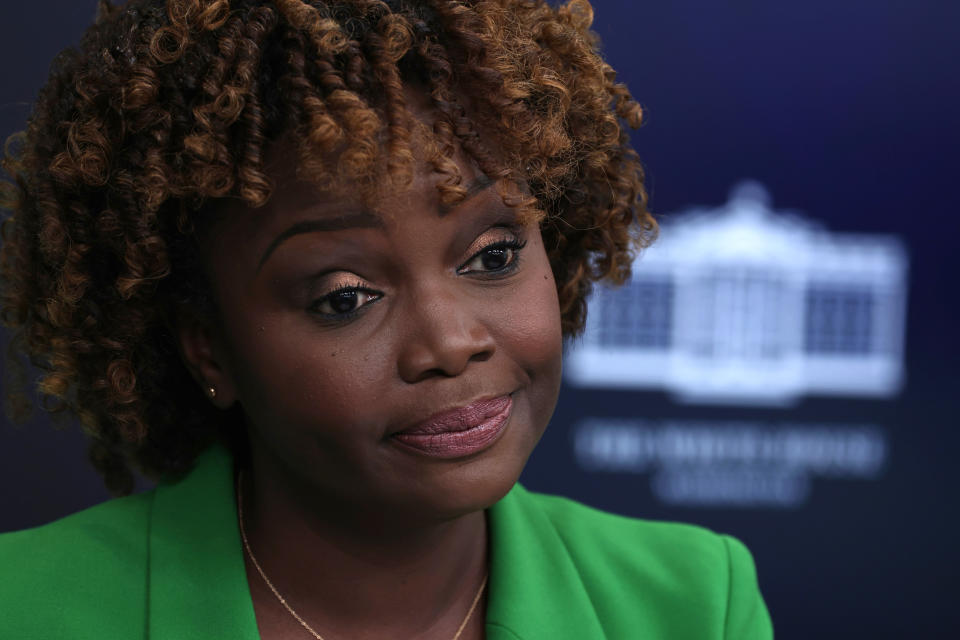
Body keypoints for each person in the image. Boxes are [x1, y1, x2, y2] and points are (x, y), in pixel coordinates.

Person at [0, 0, 772, 637]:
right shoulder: (25, 608)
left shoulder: (694, 604)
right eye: (345, 297)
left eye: (494, 256)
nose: (449, 342)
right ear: (210, 351)